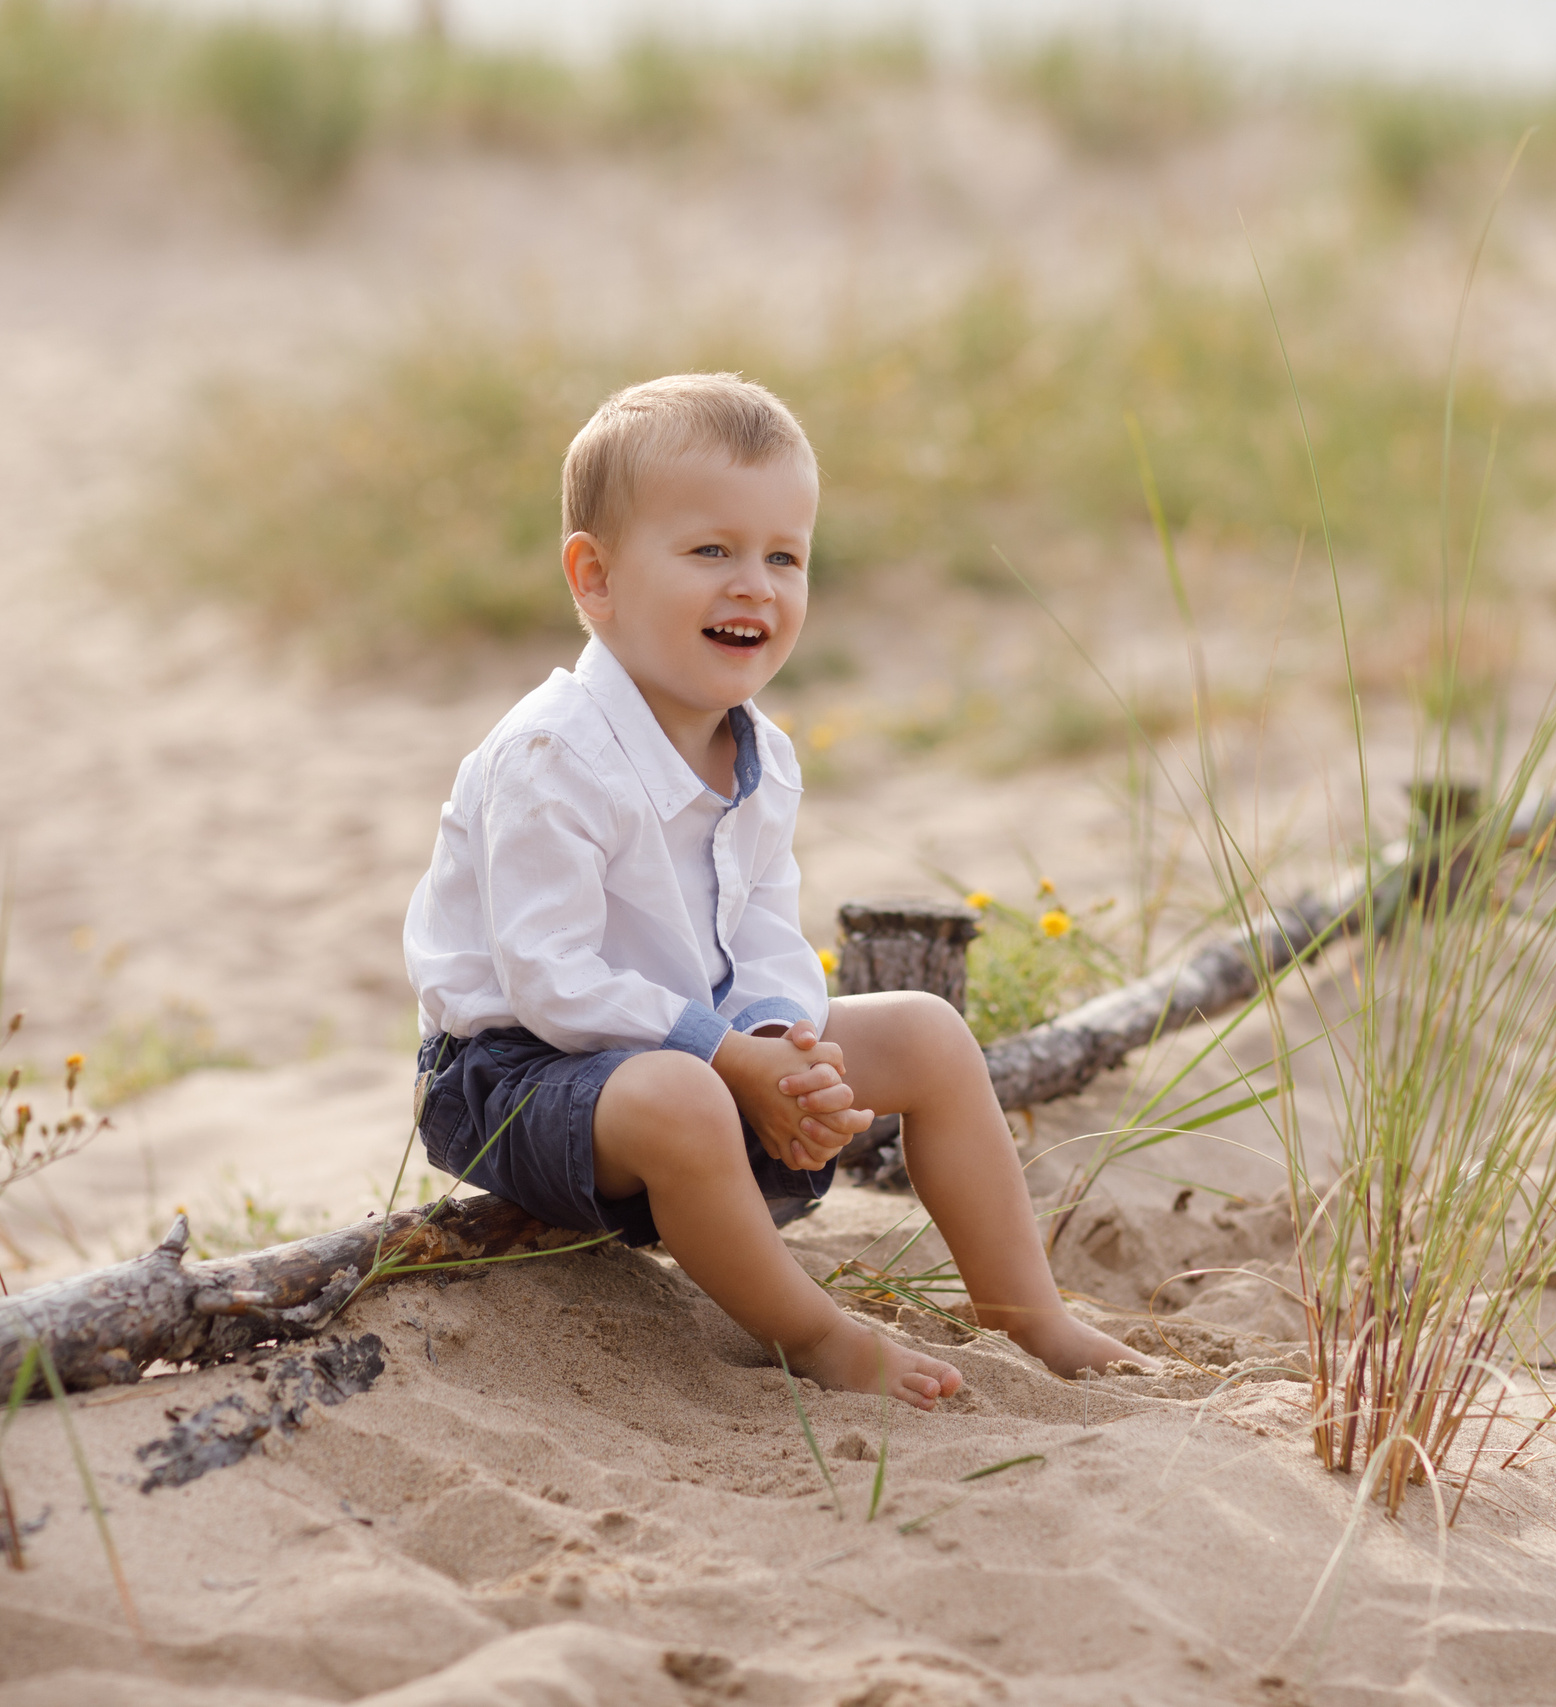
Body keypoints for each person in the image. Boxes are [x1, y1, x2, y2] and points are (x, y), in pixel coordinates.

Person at [404, 372, 1150, 1407]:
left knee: (926, 1032)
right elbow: (550, 981)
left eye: (784, 556)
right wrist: (724, 1057)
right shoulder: (550, 757)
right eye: (710, 550)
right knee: (679, 1093)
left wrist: (779, 1044)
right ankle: (816, 1335)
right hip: (512, 1075)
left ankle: (1027, 1309)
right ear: (596, 576)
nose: (754, 583)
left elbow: (760, 936)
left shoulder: (761, 759)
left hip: (701, 1050)